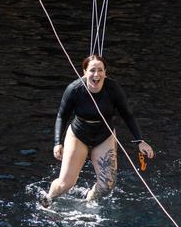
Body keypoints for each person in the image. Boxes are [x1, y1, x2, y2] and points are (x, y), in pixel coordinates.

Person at [43, 55, 154, 205]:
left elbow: (128, 115)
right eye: (92, 70)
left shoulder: (113, 89)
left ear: (105, 73)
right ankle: (48, 199)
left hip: (104, 135)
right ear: (84, 72)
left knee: (106, 186)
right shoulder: (74, 89)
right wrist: (57, 142)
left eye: (100, 70)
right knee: (66, 184)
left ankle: (88, 202)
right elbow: (62, 116)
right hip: (79, 134)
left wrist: (140, 141)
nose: (96, 75)